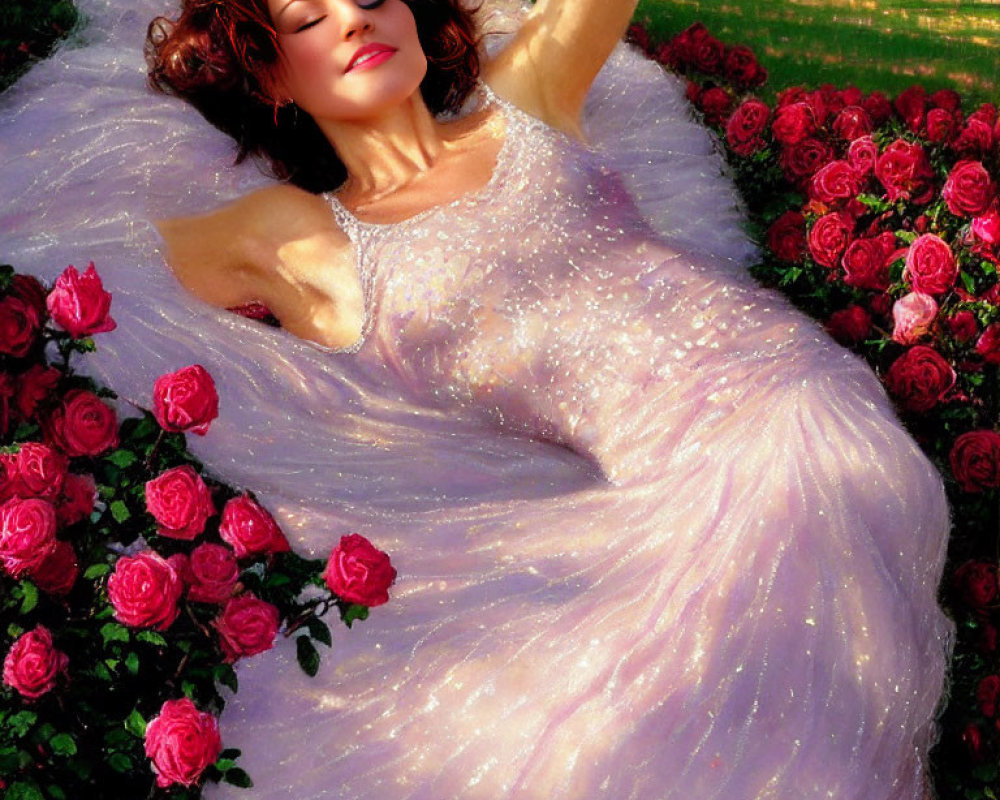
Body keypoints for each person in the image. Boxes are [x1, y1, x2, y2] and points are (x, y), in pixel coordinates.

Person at [1, 0, 952, 797]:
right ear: (275, 78)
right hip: (666, 487)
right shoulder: (299, 235)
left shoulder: (520, 102)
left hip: (794, 404)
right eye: (308, 16)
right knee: (616, 713)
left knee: (792, 534)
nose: (354, 20)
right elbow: (84, 271)